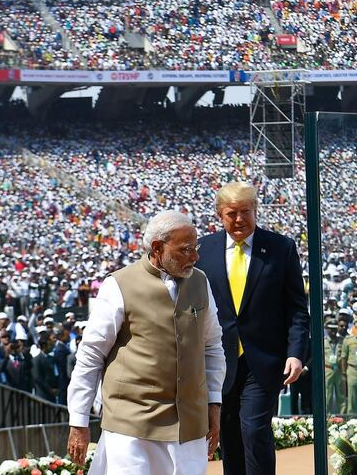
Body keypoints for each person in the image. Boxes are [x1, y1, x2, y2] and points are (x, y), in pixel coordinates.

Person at [67, 210, 226, 475]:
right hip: (132, 429)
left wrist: (214, 402)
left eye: (195, 248)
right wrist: (79, 421)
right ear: (157, 248)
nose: (195, 257)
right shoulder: (118, 285)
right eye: (185, 250)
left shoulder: (200, 282)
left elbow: (212, 346)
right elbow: (91, 356)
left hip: (188, 428)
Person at [195, 182, 309, 475]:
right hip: (219, 360)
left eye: (246, 212)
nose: (239, 220)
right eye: (231, 213)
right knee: (230, 433)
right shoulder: (203, 250)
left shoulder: (280, 248)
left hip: (263, 360)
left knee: (254, 429)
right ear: (220, 214)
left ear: (255, 210)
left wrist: (296, 354)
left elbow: (296, 308)